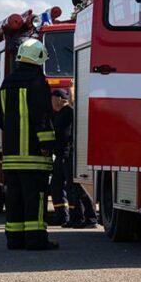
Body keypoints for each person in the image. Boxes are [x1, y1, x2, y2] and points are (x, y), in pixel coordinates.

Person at [0, 38, 59, 250]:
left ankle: (14, 239)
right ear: (38, 58)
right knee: (35, 198)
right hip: (34, 157)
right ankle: (36, 240)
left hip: (12, 157)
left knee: (14, 198)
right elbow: (42, 116)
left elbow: (0, 118)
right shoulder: (37, 82)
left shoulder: (7, 83)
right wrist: (47, 144)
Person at [49, 89, 96, 228]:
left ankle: (85, 217)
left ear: (59, 99)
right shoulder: (57, 114)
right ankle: (63, 216)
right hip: (60, 155)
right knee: (56, 186)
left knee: (75, 188)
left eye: (52, 99)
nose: (50, 102)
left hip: (69, 155)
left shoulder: (68, 112)